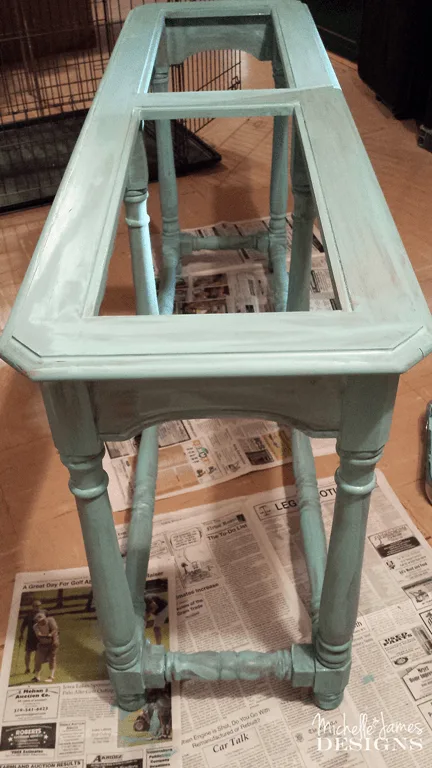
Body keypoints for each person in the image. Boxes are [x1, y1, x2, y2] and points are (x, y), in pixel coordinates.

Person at [32, 611, 59, 683]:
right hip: (42, 644)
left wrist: (51, 635)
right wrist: (47, 635)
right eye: (40, 621)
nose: (43, 621)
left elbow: (55, 629)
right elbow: (39, 635)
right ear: (37, 621)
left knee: (52, 659)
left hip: (53, 643)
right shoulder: (35, 626)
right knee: (38, 660)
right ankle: (37, 677)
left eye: (43, 620)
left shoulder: (50, 620)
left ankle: (52, 676)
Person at [19, 599, 42, 674]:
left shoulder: (43, 614)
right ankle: (27, 668)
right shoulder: (28, 615)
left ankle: (35, 668)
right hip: (30, 637)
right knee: (28, 653)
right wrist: (21, 634)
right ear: (33, 607)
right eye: (36, 606)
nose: (37, 607)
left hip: (39, 637)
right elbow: (23, 625)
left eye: (39, 606)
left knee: (38, 653)